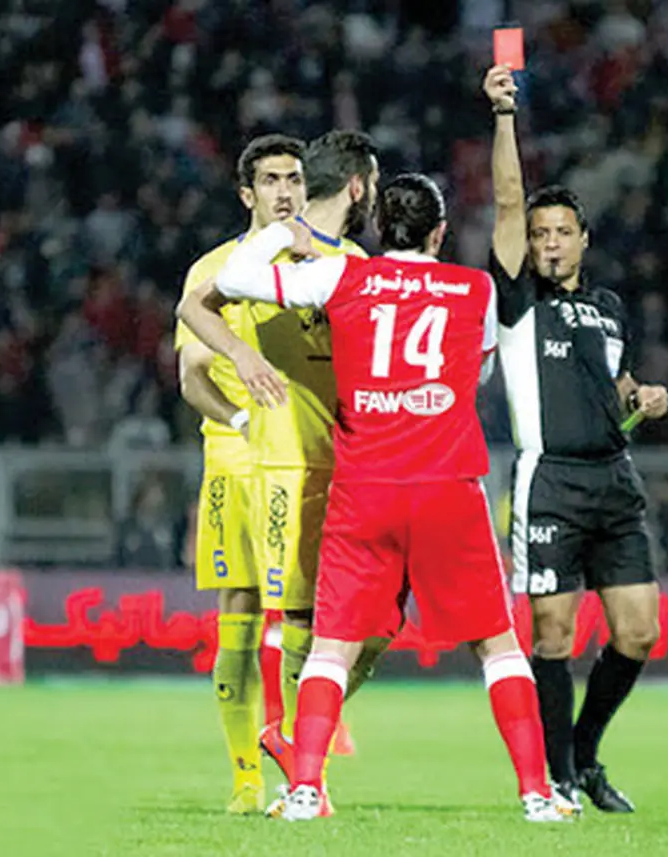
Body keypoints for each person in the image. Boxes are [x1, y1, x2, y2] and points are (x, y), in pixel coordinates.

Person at [177, 174, 572, 823]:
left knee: (333, 643)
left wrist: (287, 230)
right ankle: (536, 793)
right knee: (498, 644)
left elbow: (240, 276)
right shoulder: (473, 288)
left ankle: (304, 789)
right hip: (448, 485)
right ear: (441, 232)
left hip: (364, 487)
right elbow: (477, 371)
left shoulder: (342, 277)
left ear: (378, 229)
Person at [484, 65, 668, 814]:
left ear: (584, 240)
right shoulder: (517, 299)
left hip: (614, 479)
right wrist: (504, 116)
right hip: (550, 480)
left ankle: (585, 752)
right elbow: (503, 197)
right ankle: (556, 774)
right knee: (554, 632)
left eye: (563, 232)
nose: (551, 242)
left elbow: (614, 389)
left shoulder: (610, 307)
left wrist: (642, 397)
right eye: (540, 233)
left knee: (638, 631)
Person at [246, 130, 388, 798]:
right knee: (296, 611)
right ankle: (285, 736)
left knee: (373, 622)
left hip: (356, 462)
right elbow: (194, 307)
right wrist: (242, 357)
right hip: (285, 455)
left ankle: (306, 731)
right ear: (358, 184)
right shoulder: (261, 248)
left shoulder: (355, 258)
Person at [174, 133, 306, 815]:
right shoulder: (215, 270)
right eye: (272, 180)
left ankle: (303, 770)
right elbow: (190, 377)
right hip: (238, 458)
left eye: (295, 178)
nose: (286, 191)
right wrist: (237, 421)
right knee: (242, 611)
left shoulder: (328, 264)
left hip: (310, 459)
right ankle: (247, 776)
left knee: (313, 620)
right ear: (247, 193)